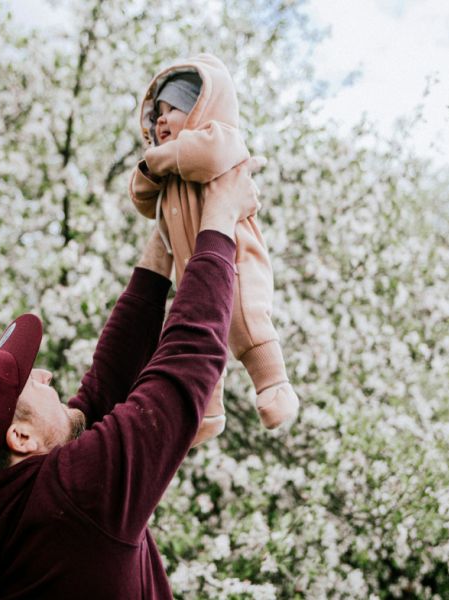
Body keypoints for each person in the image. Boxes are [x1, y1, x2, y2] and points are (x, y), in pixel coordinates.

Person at [0, 158, 263, 599]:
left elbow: (101, 394)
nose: (44, 374)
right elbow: (185, 368)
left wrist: (168, 235)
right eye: (28, 382)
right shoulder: (73, 500)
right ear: (19, 436)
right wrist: (218, 222)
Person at [128, 53, 299, 446]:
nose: (162, 121)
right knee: (196, 335)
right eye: (158, 113)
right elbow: (140, 198)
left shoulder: (219, 141)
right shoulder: (169, 171)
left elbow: (212, 154)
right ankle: (206, 409)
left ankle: (274, 384)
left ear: (202, 110)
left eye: (175, 110)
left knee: (245, 320)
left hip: (236, 258)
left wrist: (163, 158)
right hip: (194, 269)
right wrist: (155, 165)